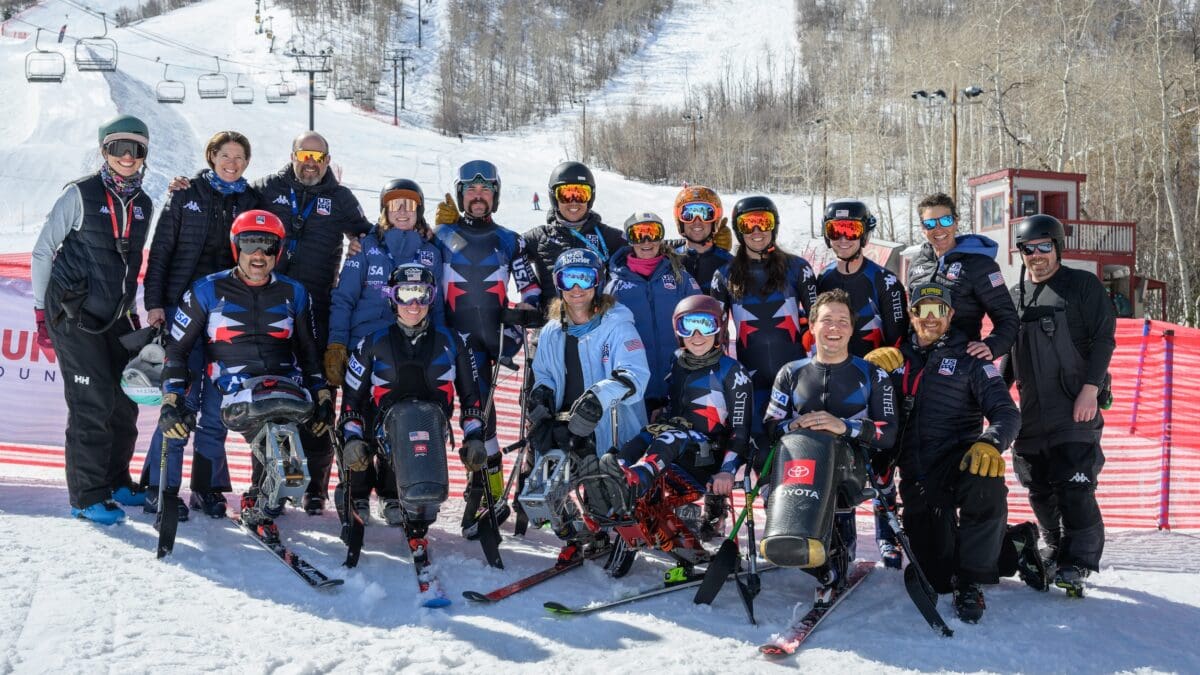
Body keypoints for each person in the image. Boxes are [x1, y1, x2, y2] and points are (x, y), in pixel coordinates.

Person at [158, 210, 332, 541]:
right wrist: (171, 398)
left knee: (292, 480)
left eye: (268, 246)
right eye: (250, 244)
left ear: (278, 252)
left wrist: (321, 393)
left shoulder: (295, 292)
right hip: (230, 388)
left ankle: (265, 495)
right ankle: (201, 489)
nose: (258, 255)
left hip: (281, 390)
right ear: (236, 246)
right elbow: (177, 350)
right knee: (208, 424)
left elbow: (309, 351)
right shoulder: (205, 290)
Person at [864, 283, 1022, 623]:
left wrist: (990, 442)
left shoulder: (972, 357)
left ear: (951, 314)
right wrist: (865, 370)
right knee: (936, 575)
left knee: (986, 478)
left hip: (959, 462)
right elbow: (858, 406)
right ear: (912, 314)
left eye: (939, 310)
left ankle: (972, 582)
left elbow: (1007, 414)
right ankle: (1016, 547)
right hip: (917, 476)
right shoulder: (894, 358)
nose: (931, 317)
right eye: (923, 309)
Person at [31, 114, 154, 525]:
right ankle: (86, 495)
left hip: (115, 316)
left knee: (124, 400)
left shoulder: (145, 205)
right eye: (118, 147)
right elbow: (42, 250)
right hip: (72, 312)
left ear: (143, 156)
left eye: (134, 149)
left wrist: (132, 313)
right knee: (92, 401)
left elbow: (129, 264)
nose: (126, 155)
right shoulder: (80, 194)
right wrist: (40, 312)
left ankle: (117, 480)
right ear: (104, 150)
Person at [139, 130, 259, 521]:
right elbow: (160, 253)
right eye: (226, 155)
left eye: (240, 157)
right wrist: (155, 303)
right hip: (182, 310)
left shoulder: (251, 201)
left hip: (229, 314)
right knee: (180, 402)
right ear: (212, 156)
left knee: (215, 407)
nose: (232, 163)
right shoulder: (185, 194)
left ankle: (207, 488)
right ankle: (162, 488)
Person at [251, 131, 373, 514]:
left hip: (317, 308)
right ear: (292, 156)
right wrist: (190, 186)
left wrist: (364, 242)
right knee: (269, 395)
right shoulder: (269, 187)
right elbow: (230, 198)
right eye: (304, 154)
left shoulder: (339, 198)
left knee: (320, 398)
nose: (311, 162)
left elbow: (369, 234)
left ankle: (315, 486)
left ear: (327, 160)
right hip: (270, 304)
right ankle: (265, 478)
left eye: (318, 157)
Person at [338, 264, 487, 559]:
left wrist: (474, 437)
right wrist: (352, 439)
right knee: (397, 421)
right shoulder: (371, 342)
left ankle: (408, 502)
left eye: (422, 294)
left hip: (432, 429)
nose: (414, 305)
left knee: (417, 420)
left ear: (432, 298)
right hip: (383, 431)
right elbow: (352, 399)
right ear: (393, 299)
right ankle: (363, 493)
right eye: (405, 294)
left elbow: (472, 396)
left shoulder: (454, 341)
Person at [762, 289, 897, 604]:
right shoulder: (790, 373)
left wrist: (844, 426)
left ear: (852, 328)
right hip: (803, 467)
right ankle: (799, 544)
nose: (834, 328)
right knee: (797, 457)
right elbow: (771, 425)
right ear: (812, 326)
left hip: (855, 467)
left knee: (830, 454)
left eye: (842, 321)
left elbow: (888, 432)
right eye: (826, 321)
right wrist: (791, 425)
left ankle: (835, 557)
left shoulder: (873, 374)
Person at [1007, 214, 1115, 597]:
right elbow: (1007, 352)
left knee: (1075, 485)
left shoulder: (1080, 286)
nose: (1036, 255)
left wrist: (1090, 388)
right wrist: (995, 398)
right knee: (1037, 486)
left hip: (1074, 406)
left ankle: (1078, 561)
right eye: (1027, 249)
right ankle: (1054, 546)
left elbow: (1104, 340)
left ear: (1057, 247)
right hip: (1032, 412)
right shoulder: (1015, 296)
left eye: (1043, 247)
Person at [432, 159, 541, 538]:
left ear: (495, 194)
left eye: (485, 190)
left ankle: (489, 491)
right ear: (462, 195)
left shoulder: (511, 239)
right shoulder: (441, 235)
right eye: (471, 190)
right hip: (451, 339)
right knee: (460, 414)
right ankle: (460, 485)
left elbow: (531, 290)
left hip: (490, 340)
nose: (478, 196)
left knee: (485, 418)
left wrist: (524, 312)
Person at [328, 178, 443, 527]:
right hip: (365, 349)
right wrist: (337, 343)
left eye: (410, 204)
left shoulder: (430, 251)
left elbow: (436, 305)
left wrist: (439, 349)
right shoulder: (367, 249)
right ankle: (357, 490)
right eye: (396, 204)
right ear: (385, 210)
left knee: (402, 420)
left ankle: (393, 492)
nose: (403, 210)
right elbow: (344, 298)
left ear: (419, 209)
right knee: (357, 418)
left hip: (409, 349)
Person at [526, 248, 650, 562]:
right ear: (559, 284)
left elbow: (635, 374)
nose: (577, 287)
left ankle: (614, 524)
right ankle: (577, 533)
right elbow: (544, 374)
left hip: (608, 423)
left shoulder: (617, 325)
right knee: (544, 483)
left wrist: (597, 399)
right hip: (565, 421)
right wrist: (541, 395)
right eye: (570, 279)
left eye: (586, 278)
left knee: (600, 481)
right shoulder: (553, 330)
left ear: (598, 282)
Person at [600, 295, 751, 541]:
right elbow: (678, 401)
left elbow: (741, 430)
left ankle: (639, 477)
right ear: (677, 330)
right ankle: (616, 471)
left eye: (705, 325)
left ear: (719, 329)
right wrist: (664, 411)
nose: (697, 335)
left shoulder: (733, 372)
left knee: (670, 435)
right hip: (680, 445)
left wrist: (727, 470)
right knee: (648, 431)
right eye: (687, 326)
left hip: (708, 455)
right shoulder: (678, 360)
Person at [815, 199, 908, 568]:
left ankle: (887, 536)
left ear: (864, 234)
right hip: (833, 382)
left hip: (873, 385)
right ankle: (843, 538)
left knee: (881, 466)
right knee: (839, 463)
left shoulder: (883, 280)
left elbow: (901, 341)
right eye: (835, 232)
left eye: (851, 230)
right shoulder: (822, 279)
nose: (843, 238)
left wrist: (888, 376)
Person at [711, 195, 819, 455]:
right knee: (760, 454)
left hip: (798, 379)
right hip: (753, 381)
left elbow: (820, 319)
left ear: (774, 225)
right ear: (739, 230)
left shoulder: (798, 268)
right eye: (748, 225)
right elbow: (716, 333)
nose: (757, 231)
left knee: (803, 449)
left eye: (763, 222)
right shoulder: (724, 275)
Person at [605, 212, 700, 418]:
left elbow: (702, 316)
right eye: (639, 235)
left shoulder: (679, 277)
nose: (646, 241)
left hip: (678, 381)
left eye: (653, 233)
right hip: (636, 387)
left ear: (661, 237)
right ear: (630, 239)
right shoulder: (616, 286)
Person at [907, 192, 1018, 362]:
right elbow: (912, 317)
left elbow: (1008, 318)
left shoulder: (980, 265)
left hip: (960, 365)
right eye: (930, 224)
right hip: (918, 364)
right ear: (923, 228)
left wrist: (992, 345)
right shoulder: (917, 262)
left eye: (945, 220)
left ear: (956, 221)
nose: (938, 229)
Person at [522, 161, 625, 315]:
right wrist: (530, 298)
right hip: (553, 327)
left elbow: (648, 246)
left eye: (581, 194)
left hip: (598, 327)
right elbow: (505, 249)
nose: (574, 201)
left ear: (591, 197)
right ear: (554, 197)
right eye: (566, 195)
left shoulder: (608, 236)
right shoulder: (539, 237)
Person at [669, 185, 734, 295]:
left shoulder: (730, 265)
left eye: (706, 214)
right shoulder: (668, 260)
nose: (697, 221)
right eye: (689, 214)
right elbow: (639, 246)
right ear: (680, 221)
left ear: (715, 221)